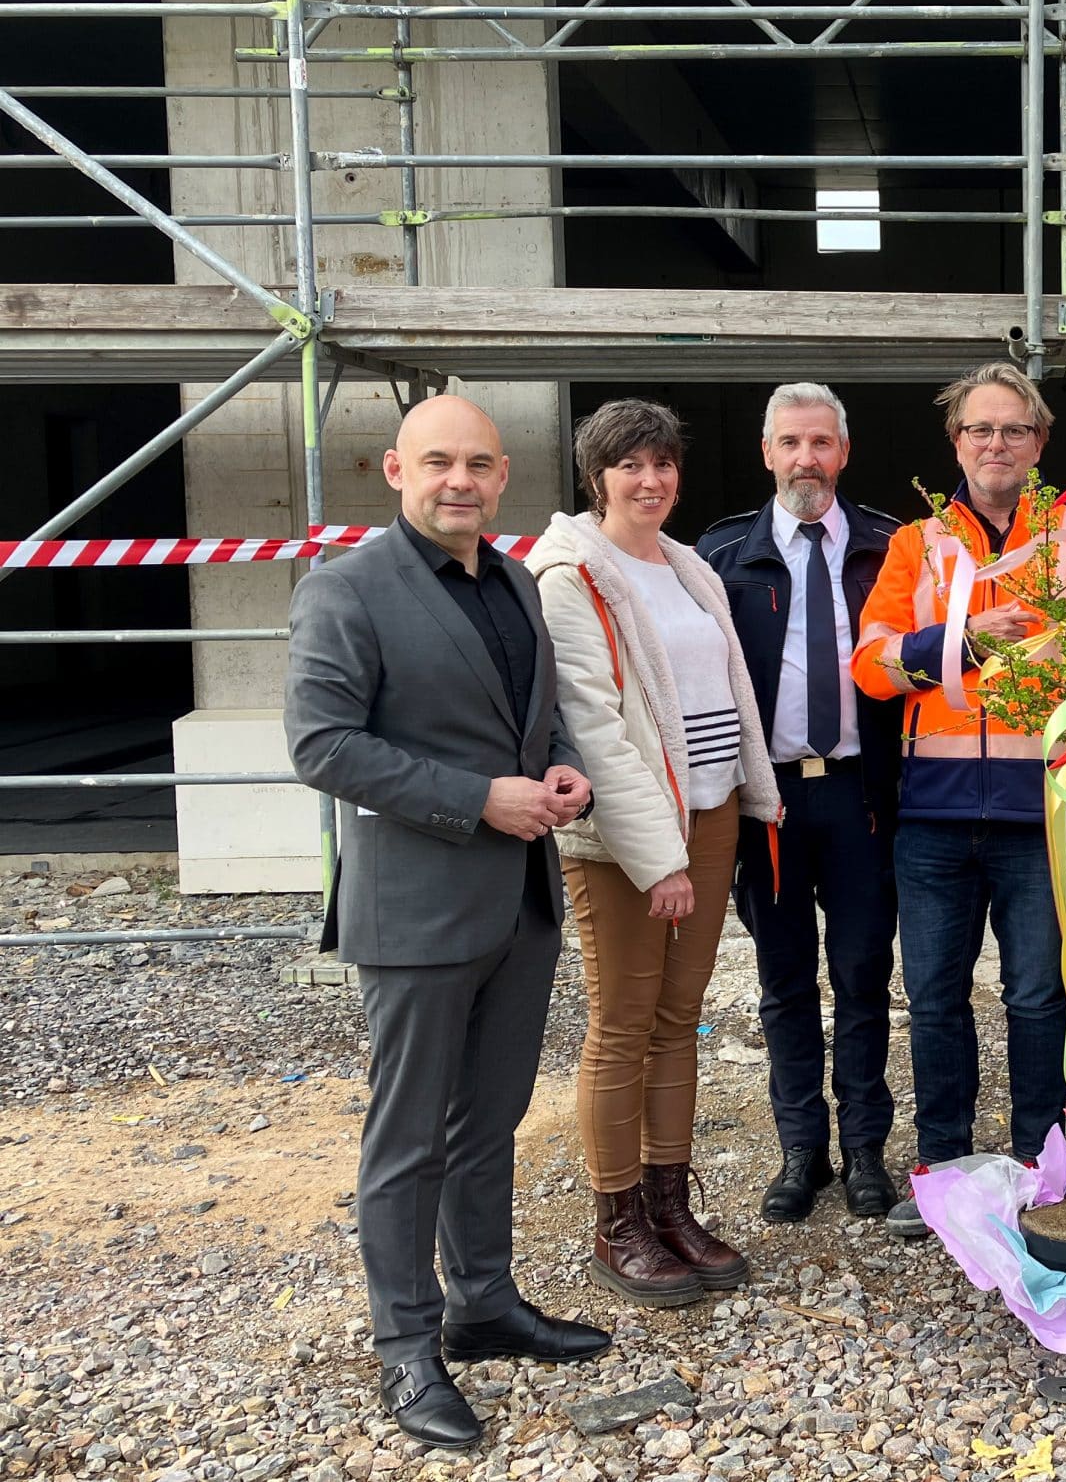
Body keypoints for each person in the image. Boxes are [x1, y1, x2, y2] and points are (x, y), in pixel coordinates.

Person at [285, 394, 607, 1451]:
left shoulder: (513, 579)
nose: (457, 479)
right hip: (418, 908)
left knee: (489, 1121)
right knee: (407, 1137)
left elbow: (531, 715)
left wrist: (553, 765)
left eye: (476, 462)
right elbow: (323, 745)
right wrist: (478, 797)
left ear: (502, 474)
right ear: (394, 469)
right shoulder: (346, 588)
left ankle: (482, 1303)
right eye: (437, 462)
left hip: (517, 901)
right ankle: (405, 1345)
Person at [851, 361, 1066, 1237]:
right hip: (934, 816)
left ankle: (1034, 1162)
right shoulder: (917, 544)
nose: (996, 444)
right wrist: (961, 637)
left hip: (1040, 814)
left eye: (1014, 429)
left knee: (1036, 998)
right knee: (936, 997)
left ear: (1040, 442)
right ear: (955, 442)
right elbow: (871, 666)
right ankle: (944, 1168)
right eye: (980, 429)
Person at [525, 399, 781, 1309]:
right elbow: (593, 726)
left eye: (663, 463)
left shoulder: (682, 565)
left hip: (710, 817)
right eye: (630, 465)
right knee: (623, 1022)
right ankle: (617, 1219)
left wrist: (742, 803)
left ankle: (672, 1204)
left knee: (680, 1018)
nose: (650, 480)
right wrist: (657, 856)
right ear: (596, 477)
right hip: (631, 839)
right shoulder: (570, 576)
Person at [699, 382, 904, 1224]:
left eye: (820, 443)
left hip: (861, 796)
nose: (805, 459)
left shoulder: (892, 548)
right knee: (784, 980)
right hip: (769, 802)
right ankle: (800, 1150)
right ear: (766, 452)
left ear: (843, 453)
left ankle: (864, 1149)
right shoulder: (719, 556)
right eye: (790, 443)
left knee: (862, 976)